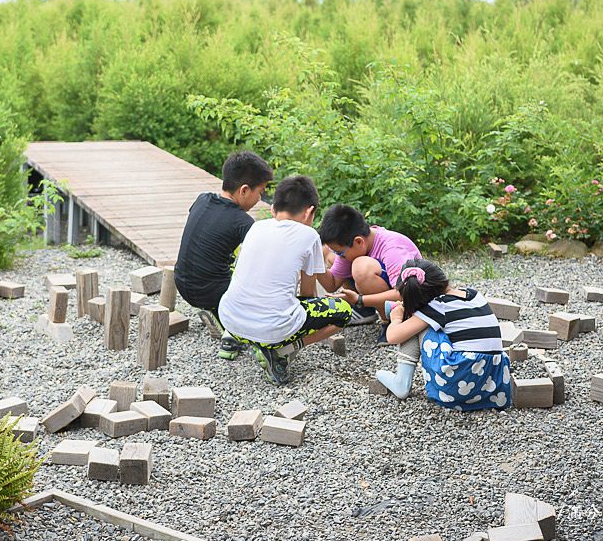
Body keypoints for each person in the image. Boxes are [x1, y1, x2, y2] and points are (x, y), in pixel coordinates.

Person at [218, 176, 352, 385]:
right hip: (273, 329)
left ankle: (259, 342)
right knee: (343, 311)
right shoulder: (309, 235)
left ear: (273, 209)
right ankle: (282, 351)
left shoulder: (256, 227)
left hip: (231, 321)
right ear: (309, 212)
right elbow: (308, 294)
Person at [174, 150, 273, 359]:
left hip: (181, 282)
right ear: (244, 190)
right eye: (260, 192)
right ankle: (232, 333)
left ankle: (219, 314)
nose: (260, 199)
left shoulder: (202, 199)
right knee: (258, 288)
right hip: (211, 292)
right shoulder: (243, 222)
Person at [379, 258, 511, 409]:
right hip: (492, 385)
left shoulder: (438, 306)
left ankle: (401, 384)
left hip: (457, 386)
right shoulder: (475, 295)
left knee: (415, 328)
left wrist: (397, 318)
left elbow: (393, 336)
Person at [317, 204, 421, 344]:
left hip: (412, 298)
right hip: (389, 290)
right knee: (330, 255)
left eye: (340, 253)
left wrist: (360, 300)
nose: (340, 256)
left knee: (361, 267)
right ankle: (364, 312)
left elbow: (404, 292)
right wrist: (312, 262)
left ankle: (393, 322)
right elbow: (332, 284)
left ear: (358, 241)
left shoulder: (393, 248)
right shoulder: (353, 245)